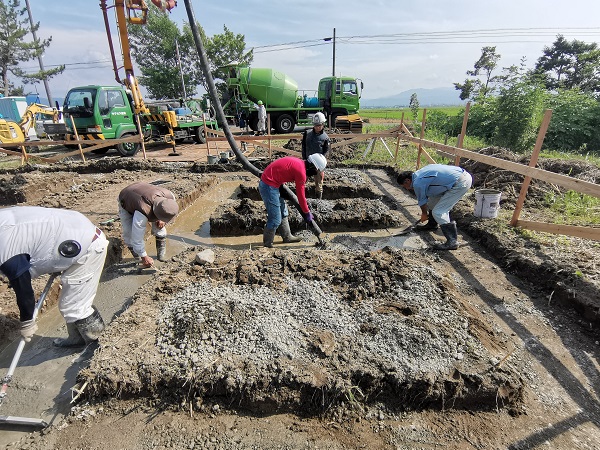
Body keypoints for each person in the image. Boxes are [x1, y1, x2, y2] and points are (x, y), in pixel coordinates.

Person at [0, 206, 108, 347]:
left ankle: (97, 344)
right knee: (70, 303)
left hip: (88, 244)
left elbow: (23, 289)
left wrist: (27, 321)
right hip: (72, 229)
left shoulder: (5, 252)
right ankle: (77, 339)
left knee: (74, 306)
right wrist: (55, 260)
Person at [397, 164, 473, 250]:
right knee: (432, 203)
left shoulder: (418, 183)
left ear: (407, 181)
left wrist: (424, 214)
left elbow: (422, 201)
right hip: (456, 178)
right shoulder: (419, 174)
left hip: (460, 183)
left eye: (404, 186)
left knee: (439, 212)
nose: (406, 189)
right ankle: (432, 225)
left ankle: (452, 241)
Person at [258, 154, 327, 248]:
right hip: (268, 186)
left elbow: (283, 169)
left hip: (275, 183)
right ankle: (267, 244)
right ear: (312, 166)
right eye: (316, 171)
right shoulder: (301, 172)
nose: (315, 174)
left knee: (283, 212)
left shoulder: (300, 164)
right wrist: (307, 213)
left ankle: (287, 237)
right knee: (275, 219)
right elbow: (301, 197)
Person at [118, 182, 179, 267]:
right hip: (127, 197)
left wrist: (162, 219)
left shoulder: (169, 196)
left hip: (145, 193)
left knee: (159, 227)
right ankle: (139, 259)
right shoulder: (142, 212)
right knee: (129, 234)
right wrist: (144, 256)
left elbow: (169, 209)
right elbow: (137, 237)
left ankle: (161, 256)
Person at [302, 112, 330, 199]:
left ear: (323, 125)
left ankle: (318, 199)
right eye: (316, 125)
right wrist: (304, 158)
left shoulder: (325, 137)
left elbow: (327, 151)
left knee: (319, 183)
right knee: (302, 181)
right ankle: (301, 197)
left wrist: (322, 162)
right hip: (308, 162)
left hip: (318, 165)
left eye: (319, 125)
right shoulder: (307, 134)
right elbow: (303, 146)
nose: (318, 127)